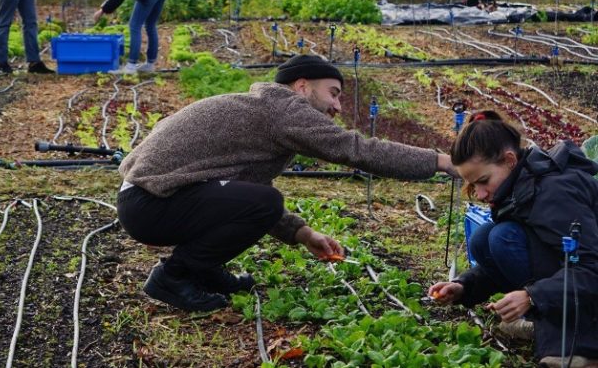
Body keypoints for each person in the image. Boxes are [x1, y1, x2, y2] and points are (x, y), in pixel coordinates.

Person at [116, 55, 458, 312]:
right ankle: (174, 276)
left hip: (148, 201)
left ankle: (201, 270)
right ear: (302, 86)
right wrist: (441, 161)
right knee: (265, 200)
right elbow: (356, 150)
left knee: (260, 199)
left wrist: (303, 234)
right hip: (153, 203)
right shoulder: (284, 109)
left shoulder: (265, 112)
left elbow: (242, 193)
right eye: (333, 93)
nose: (338, 106)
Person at [429, 111, 598, 368]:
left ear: (509, 160)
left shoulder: (555, 192)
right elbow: (533, 254)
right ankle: (545, 323)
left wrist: (532, 297)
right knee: (486, 238)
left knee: (501, 237)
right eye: (473, 185)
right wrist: (465, 286)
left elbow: (591, 268)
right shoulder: (519, 188)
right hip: (572, 285)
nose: (481, 194)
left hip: (589, 289)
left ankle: (581, 346)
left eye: (483, 181)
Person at [89, 0, 170, 75]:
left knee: (134, 26)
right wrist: (108, 8)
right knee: (150, 25)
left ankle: (131, 66)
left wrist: (102, 10)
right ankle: (150, 64)